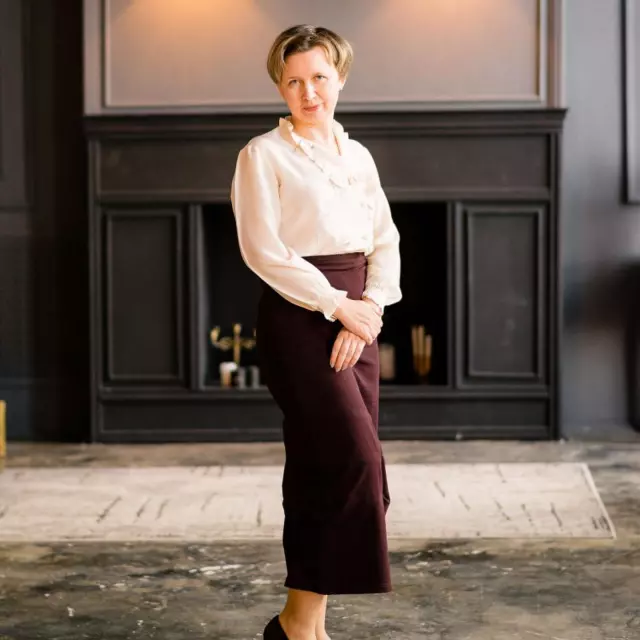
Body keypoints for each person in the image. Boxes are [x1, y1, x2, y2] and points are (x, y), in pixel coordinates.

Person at [230, 24, 402, 640]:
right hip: (299, 318)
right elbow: (264, 252)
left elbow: (385, 240)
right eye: (294, 81)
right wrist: (337, 306)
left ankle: (300, 625)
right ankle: (299, 627)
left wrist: (369, 307)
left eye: (320, 78)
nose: (309, 92)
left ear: (341, 78)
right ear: (280, 87)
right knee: (354, 460)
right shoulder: (262, 155)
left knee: (321, 466)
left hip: (357, 313)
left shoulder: (359, 157)